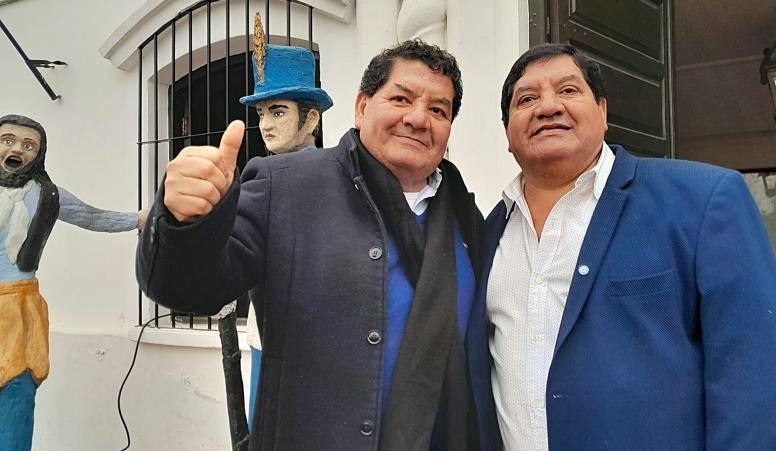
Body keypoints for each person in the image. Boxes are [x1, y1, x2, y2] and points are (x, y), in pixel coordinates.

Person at [137, 39, 484, 451]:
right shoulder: (284, 186)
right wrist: (184, 222)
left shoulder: (464, 215)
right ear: (361, 107)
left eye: (438, 110)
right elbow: (189, 288)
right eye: (400, 98)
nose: (418, 118)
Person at [466, 43, 776, 451]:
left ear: (603, 113)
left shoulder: (702, 200)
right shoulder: (486, 232)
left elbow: (761, 368)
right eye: (527, 99)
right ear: (507, 133)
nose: (548, 107)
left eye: (568, 90)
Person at [0, 114, 144, 451]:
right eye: (8, 140)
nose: (17, 149)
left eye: (28, 145)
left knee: (16, 394)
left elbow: (91, 216)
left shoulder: (47, 195)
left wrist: (139, 219)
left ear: (39, 154)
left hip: (18, 309)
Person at [233, 25, 334, 429]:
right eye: (261, 114)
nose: (266, 125)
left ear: (311, 118)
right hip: (264, 333)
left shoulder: (335, 177)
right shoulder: (260, 177)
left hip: (316, 340)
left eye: (278, 112)